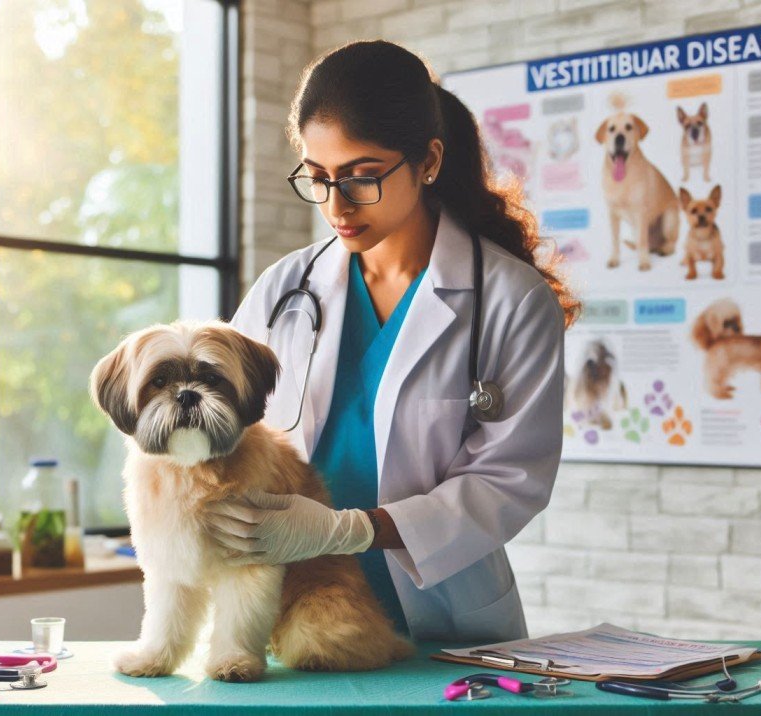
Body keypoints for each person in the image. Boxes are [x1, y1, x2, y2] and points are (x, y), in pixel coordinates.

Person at [208, 40, 579, 642]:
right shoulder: (285, 289)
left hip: (442, 617)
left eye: (361, 177)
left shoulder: (510, 300)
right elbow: (230, 422)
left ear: (428, 161)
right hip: (291, 603)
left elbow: (509, 482)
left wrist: (351, 529)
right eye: (319, 177)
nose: (336, 204)